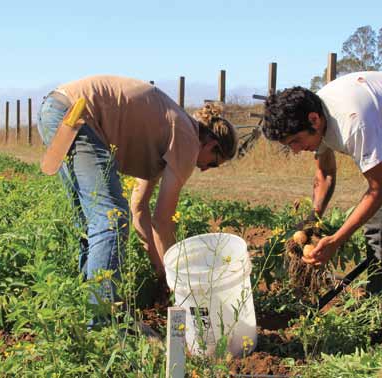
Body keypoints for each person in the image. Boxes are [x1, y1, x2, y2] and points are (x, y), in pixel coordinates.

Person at [37, 75, 238, 320]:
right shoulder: (188, 139)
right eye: (214, 163)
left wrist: (160, 270)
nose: (205, 169)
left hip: (56, 108)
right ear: (212, 145)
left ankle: (88, 309)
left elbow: (140, 209)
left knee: (93, 222)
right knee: (110, 218)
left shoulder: (169, 134)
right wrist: (178, 278)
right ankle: (104, 322)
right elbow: (163, 221)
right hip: (79, 113)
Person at [262, 71, 382, 321]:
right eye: (289, 145)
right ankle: (378, 305)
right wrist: (313, 220)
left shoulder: (352, 120)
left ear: (314, 119)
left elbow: (379, 189)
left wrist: (335, 241)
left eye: (297, 141)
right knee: (374, 228)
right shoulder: (316, 114)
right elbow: (325, 174)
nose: (296, 150)